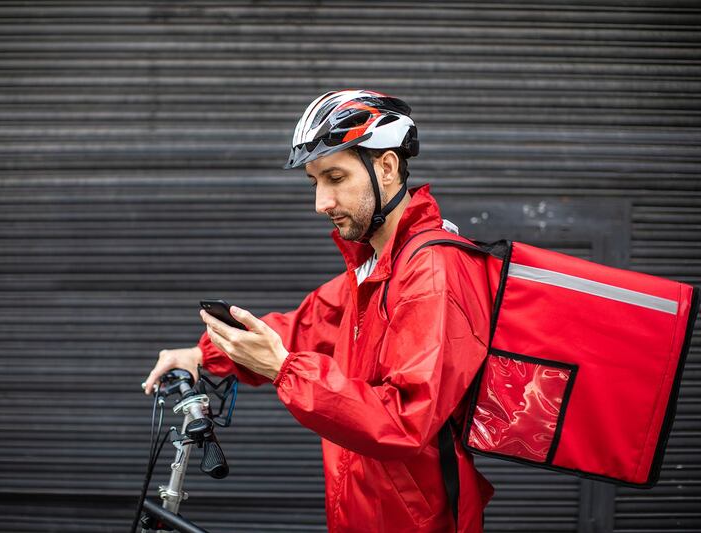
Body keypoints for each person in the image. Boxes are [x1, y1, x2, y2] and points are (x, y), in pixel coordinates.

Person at [143, 89, 494, 533]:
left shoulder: (433, 273)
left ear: (386, 167)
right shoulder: (378, 263)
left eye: (335, 177)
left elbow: (404, 420)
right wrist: (208, 352)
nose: (320, 203)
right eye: (315, 182)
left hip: (412, 521)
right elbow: (308, 324)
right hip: (362, 510)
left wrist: (285, 371)